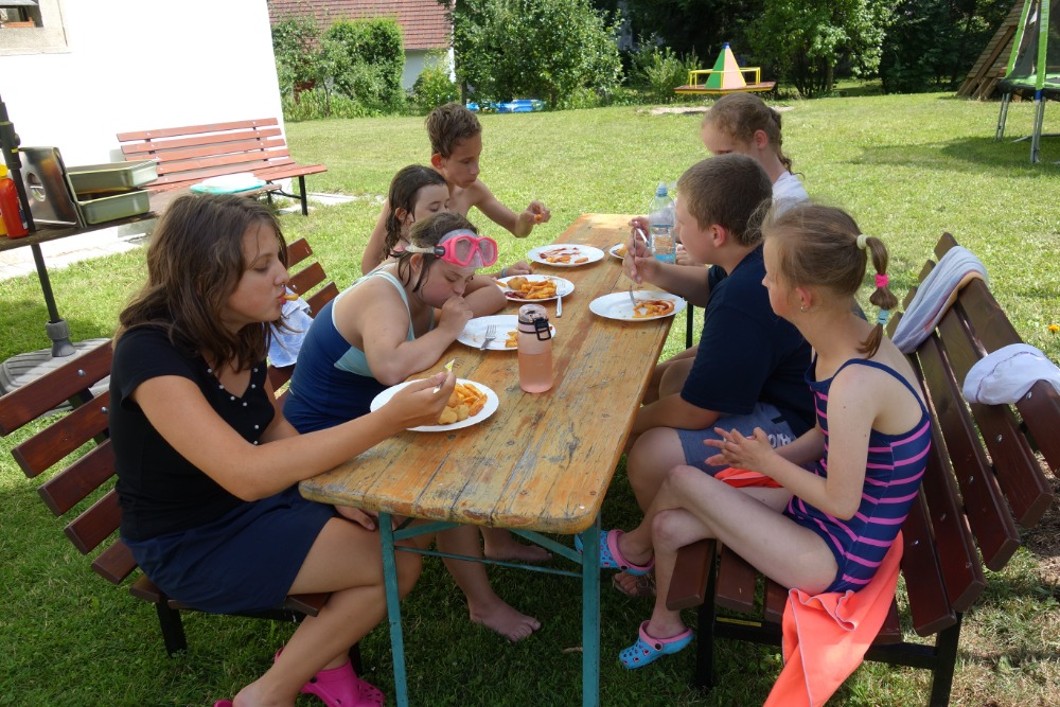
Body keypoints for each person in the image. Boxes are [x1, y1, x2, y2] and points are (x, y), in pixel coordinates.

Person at [110, 193, 456, 706]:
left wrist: (330, 490)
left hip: (255, 506)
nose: (282, 277)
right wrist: (385, 421)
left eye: (278, 259)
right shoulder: (149, 353)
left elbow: (271, 425)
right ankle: (267, 695)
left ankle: (319, 669)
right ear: (204, 277)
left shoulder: (239, 328)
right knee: (395, 562)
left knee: (402, 534)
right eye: (261, 266)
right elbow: (246, 474)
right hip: (190, 538)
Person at [602, 202, 930, 669]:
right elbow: (823, 434)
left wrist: (767, 462)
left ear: (803, 297)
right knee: (669, 523)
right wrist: (761, 459)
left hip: (836, 555)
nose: (761, 283)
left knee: (682, 480)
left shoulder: (853, 382)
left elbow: (842, 503)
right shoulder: (839, 342)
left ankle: (632, 554)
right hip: (818, 516)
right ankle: (665, 626)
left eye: (771, 276)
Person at [285, 210, 543, 641]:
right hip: (323, 439)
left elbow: (493, 293)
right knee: (447, 471)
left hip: (370, 420)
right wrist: (448, 328)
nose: (459, 290)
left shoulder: (421, 280)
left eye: (465, 279)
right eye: (453, 279)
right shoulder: (381, 294)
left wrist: (458, 302)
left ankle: (494, 544)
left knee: (462, 443)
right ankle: (482, 604)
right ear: (418, 260)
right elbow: (390, 367)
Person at [608, 155, 815, 597]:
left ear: (716, 234)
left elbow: (697, 412)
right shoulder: (752, 256)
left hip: (798, 430)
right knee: (675, 377)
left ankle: (672, 557)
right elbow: (710, 284)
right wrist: (655, 270)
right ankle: (675, 527)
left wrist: (627, 426)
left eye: (681, 223)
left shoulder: (744, 296)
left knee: (648, 453)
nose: (676, 230)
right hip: (786, 397)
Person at [360, 102, 550, 275]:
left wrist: (526, 220)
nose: (476, 170)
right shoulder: (410, 194)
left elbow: (517, 228)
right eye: (466, 161)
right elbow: (369, 265)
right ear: (439, 161)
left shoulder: (472, 189)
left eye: (477, 157)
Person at [362, 164, 526, 300]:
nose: (445, 214)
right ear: (404, 216)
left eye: (446, 205)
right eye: (434, 208)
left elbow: (467, 284)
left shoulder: (429, 249)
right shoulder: (406, 261)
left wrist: (503, 274)